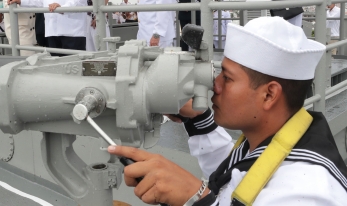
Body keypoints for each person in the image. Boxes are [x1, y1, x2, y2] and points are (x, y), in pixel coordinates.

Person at [108, 16, 347, 206]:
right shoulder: (278, 140)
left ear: (269, 95)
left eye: (228, 78)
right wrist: (199, 119)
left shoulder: (308, 192)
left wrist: (196, 198)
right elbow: (239, 178)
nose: (215, 84)